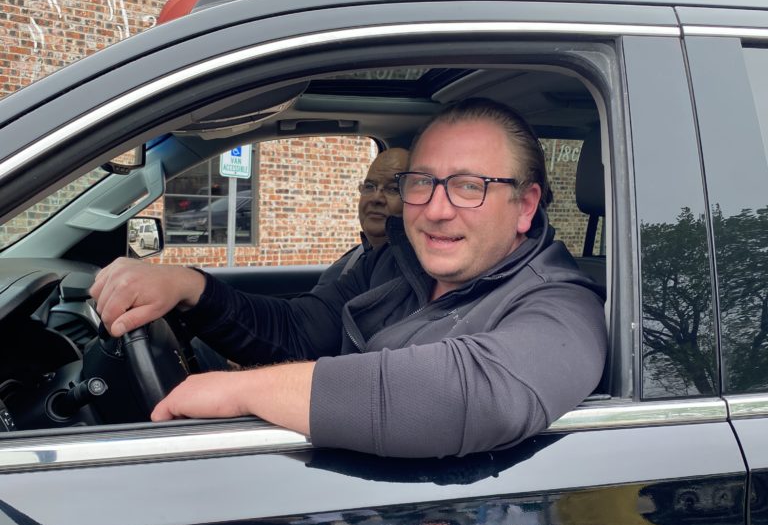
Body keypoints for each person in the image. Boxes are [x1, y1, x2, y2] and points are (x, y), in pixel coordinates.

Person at [91, 99, 608, 459]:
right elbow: (302, 329)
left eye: (469, 187)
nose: (436, 210)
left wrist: (240, 391)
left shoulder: (561, 305)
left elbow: (477, 393)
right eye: (423, 183)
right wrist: (189, 287)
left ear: (525, 205)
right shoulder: (398, 261)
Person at [317, 146, 409, 284]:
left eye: (393, 189)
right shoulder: (348, 263)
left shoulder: (415, 277)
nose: (376, 198)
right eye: (369, 186)